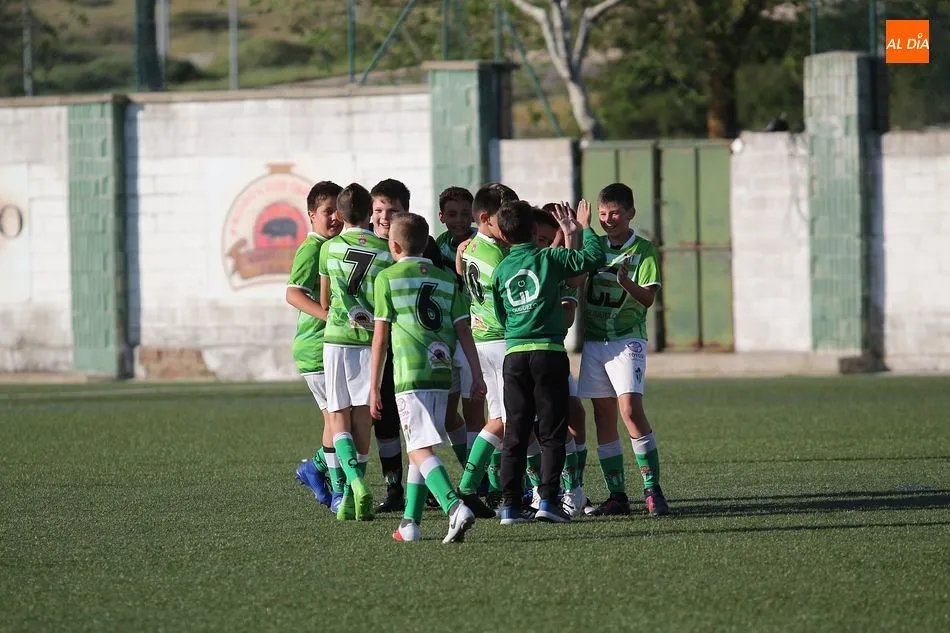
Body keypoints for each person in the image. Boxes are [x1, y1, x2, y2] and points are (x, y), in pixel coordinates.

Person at [369, 212, 486, 543]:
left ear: (393, 245)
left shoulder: (387, 279)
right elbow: (464, 330)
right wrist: (476, 374)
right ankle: (410, 523)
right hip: (442, 372)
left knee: (419, 447)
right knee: (419, 446)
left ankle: (454, 507)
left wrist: (374, 386)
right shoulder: (448, 279)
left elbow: (380, 337)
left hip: (410, 374)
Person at [491, 200, 604, 524]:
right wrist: (584, 228)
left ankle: (510, 505)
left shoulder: (501, 270)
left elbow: (501, 314)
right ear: (532, 230)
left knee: (516, 431)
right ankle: (548, 501)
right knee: (552, 432)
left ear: (502, 233)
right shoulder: (548, 258)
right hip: (548, 353)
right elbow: (591, 259)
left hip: (514, 356)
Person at [577, 183, 670, 518]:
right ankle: (617, 496)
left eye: (615, 212)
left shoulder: (643, 249)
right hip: (594, 342)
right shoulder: (594, 246)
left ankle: (653, 491)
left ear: (631, 212)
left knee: (629, 410)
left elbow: (648, 299)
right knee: (603, 415)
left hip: (627, 340)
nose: (608, 219)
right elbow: (573, 275)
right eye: (603, 213)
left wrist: (626, 282)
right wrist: (579, 230)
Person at [369, 179, 461, 512]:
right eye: (377, 210)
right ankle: (397, 493)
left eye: (391, 211)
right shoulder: (364, 242)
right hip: (377, 346)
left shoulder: (424, 247)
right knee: (387, 421)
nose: (382, 217)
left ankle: (440, 498)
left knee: (419, 433)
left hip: (413, 352)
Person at [318, 182, 393, 521]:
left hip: (336, 338)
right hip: (369, 342)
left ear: (340, 214)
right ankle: (354, 487)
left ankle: (350, 487)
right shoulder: (385, 250)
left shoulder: (329, 249)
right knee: (363, 417)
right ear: (368, 212)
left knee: (338, 416)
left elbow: (323, 300)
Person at [452, 183, 519, 517]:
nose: (507, 225)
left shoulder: (472, 248)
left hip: (481, 341)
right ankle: (510, 490)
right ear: (484, 218)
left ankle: (471, 483)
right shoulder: (499, 255)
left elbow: (462, 271)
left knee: (499, 418)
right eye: (501, 218)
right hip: (501, 340)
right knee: (510, 419)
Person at [289, 181, 343, 510]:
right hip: (316, 346)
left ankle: (315, 470)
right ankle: (338, 490)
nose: (334, 217)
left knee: (340, 421)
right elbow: (292, 293)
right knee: (337, 421)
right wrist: (327, 316)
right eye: (327, 212)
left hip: (329, 345)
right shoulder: (312, 249)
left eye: (339, 210)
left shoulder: (331, 247)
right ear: (311, 215)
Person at [533, 206, 589, 516]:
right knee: (527, 425)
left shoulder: (561, 271)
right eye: (540, 238)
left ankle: (574, 489)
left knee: (574, 413)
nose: (546, 244)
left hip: (552, 352)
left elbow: (567, 318)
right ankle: (535, 490)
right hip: (518, 353)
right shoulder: (522, 264)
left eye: (551, 238)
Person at [434, 186, 483, 468]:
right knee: (448, 414)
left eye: (466, 214)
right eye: (452, 214)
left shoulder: (483, 241)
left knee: (476, 410)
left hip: (477, 335)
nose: (460, 220)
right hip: (448, 337)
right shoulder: (437, 246)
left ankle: (485, 481)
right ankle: (471, 469)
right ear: (442, 216)